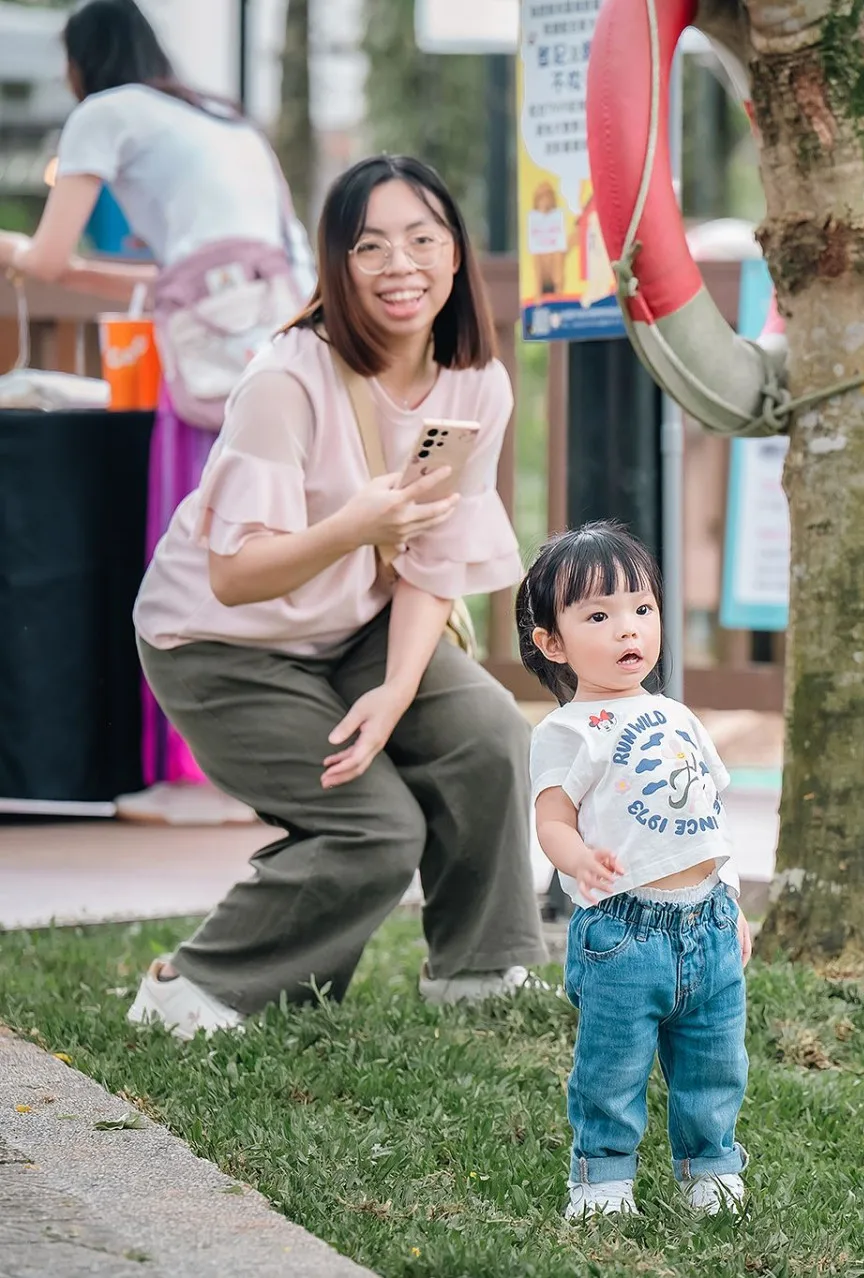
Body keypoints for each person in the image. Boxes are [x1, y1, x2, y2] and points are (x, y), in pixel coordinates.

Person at [121, 154, 545, 1038]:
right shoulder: (286, 382)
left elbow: (434, 558)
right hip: (221, 645)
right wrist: (352, 527)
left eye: (422, 239)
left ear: (455, 253)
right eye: (371, 246)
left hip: (353, 625)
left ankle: (479, 972)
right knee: (374, 829)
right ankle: (191, 990)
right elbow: (236, 577)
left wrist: (394, 693)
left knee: (489, 734)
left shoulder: (476, 383)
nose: (401, 266)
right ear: (337, 265)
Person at [0, 0, 314, 827]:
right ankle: (265, 766)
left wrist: (14, 251)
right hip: (277, 346)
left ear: (81, 63)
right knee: (266, 547)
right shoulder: (221, 118)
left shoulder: (104, 113)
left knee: (193, 550)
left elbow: (49, 257)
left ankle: (197, 772)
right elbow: (168, 274)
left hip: (207, 367)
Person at [518, 522, 751, 1220]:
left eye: (642, 608)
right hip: (624, 934)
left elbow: (708, 817)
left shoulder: (677, 715)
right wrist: (578, 859)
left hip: (708, 923)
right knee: (611, 1068)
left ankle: (710, 1167)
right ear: (553, 644)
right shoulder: (565, 732)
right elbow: (552, 820)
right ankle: (603, 1179)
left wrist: (731, 900)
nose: (628, 628)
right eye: (599, 616)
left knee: (715, 1063)